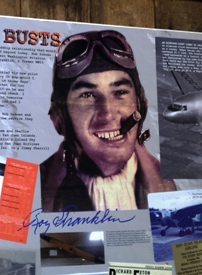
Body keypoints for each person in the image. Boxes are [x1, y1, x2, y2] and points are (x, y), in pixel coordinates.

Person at [40, 30, 176, 212]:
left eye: (120, 93)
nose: (107, 114)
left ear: (141, 104)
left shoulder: (172, 185)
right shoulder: (35, 185)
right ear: (60, 117)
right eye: (87, 95)